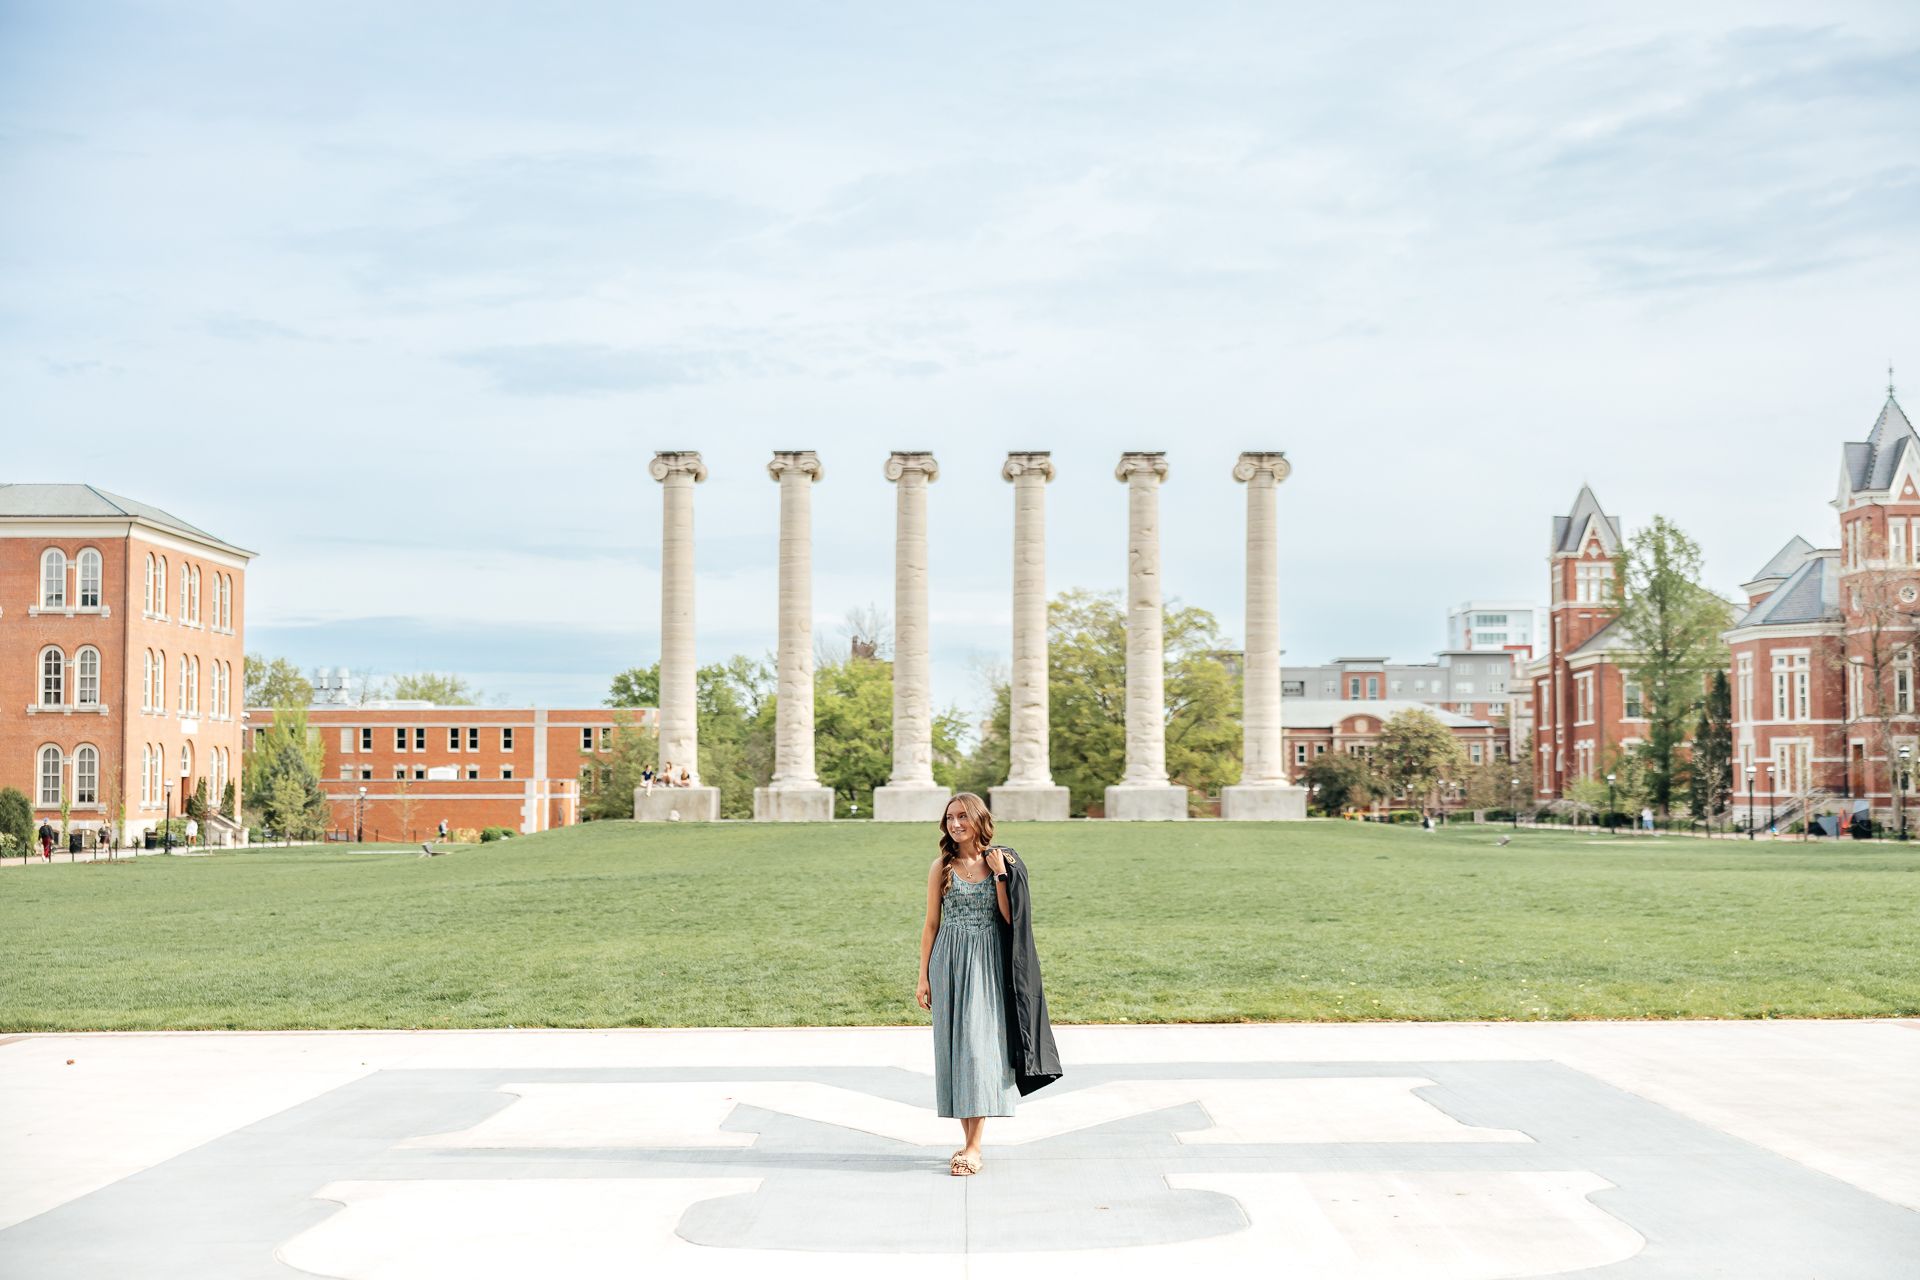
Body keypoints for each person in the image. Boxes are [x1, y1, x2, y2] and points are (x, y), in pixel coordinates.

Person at [917, 793, 1060, 1177]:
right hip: (948, 959)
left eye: (963, 816)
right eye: (950, 817)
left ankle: (973, 1147)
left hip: (987, 962)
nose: (956, 824)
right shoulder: (941, 866)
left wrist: (999, 874)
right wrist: (923, 977)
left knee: (980, 1050)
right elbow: (931, 924)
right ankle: (968, 1144)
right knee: (957, 1050)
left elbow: (1011, 917)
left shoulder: (1002, 861)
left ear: (979, 819)